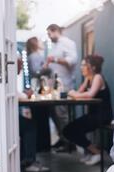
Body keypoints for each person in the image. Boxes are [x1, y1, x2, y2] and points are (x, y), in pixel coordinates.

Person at [63, 54, 113, 166]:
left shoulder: (98, 77)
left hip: (102, 115)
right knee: (69, 130)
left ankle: (97, 152)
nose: (81, 67)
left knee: (70, 130)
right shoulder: (89, 78)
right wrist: (76, 91)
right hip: (94, 115)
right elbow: (79, 93)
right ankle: (93, 151)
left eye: (84, 65)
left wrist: (73, 93)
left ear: (93, 67)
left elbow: (90, 94)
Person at [44, 24, 78, 152]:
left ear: (55, 31)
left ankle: (70, 142)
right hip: (54, 84)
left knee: (62, 114)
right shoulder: (54, 46)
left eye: (49, 34)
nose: (49, 36)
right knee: (54, 113)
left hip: (65, 85)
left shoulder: (68, 43)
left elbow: (72, 61)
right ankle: (63, 139)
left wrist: (55, 59)